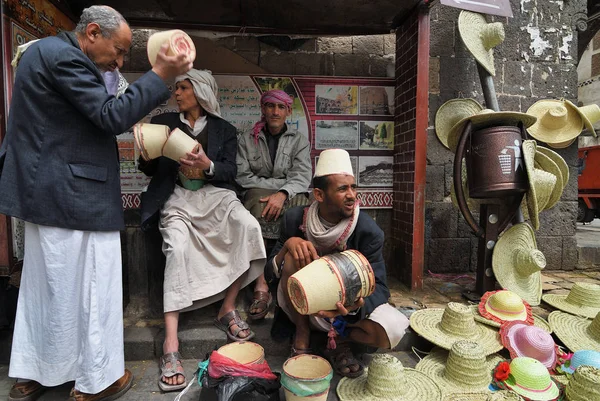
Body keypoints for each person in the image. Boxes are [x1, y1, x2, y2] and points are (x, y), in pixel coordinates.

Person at [0, 5, 192, 401]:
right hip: (75, 192)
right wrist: (162, 74)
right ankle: (96, 381)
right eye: (118, 52)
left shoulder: (43, 53)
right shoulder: (65, 57)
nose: (120, 62)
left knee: (48, 288)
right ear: (91, 33)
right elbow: (111, 115)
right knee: (94, 288)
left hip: (49, 191)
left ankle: (37, 371)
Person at [138, 69, 266, 392]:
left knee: (249, 227)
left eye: (183, 88)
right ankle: (170, 344)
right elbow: (150, 166)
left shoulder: (224, 129)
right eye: (176, 88)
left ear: (200, 92)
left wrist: (207, 162)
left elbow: (228, 170)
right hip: (178, 198)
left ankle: (227, 307)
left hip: (214, 196)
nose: (177, 94)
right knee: (178, 248)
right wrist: (146, 153)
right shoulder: (167, 121)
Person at [267, 149, 410, 378]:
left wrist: (355, 307)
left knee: (392, 329)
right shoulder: (295, 219)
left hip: (345, 313)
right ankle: (302, 334)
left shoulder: (367, 231)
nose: (352, 195)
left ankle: (339, 340)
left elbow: (381, 288)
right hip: (301, 306)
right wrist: (286, 247)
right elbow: (270, 274)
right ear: (319, 195)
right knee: (295, 254)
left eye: (353, 188)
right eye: (343, 189)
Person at [236, 89, 312, 321]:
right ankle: (262, 284)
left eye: (280, 107)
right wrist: (274, 188)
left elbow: (302, 176)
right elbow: (242, 175)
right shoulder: (246, 138)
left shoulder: (298, 140)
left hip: (291, 194)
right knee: (259, 206)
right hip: (258, 194)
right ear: (263, 109)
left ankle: (294, 280)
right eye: (270, 106)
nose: (275, 111)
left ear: (288, 111)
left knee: (298, 213)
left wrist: (281, 193)